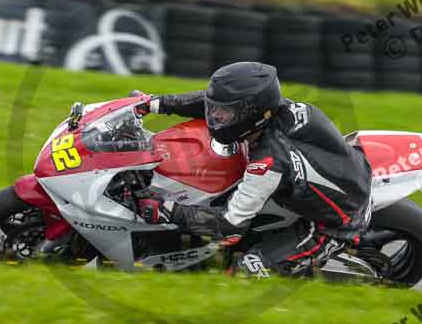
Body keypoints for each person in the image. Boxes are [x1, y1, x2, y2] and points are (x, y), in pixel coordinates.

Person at [137, 61, 373, 274]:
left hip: (333, 223)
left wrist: (167, 210)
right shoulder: (276, 111)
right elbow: (208, 104)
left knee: (243, 272)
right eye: (215, 109)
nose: (215, 117)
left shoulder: (268, 162)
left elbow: (231, 224)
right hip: (332, 174)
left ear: (252, 113)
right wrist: (152, 103)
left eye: (224, 113)